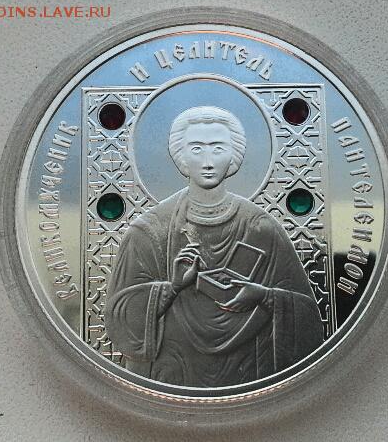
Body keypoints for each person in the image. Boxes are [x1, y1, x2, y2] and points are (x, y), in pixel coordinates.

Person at [105, 106, 323, 387]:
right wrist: (172, 287)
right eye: (197, 149)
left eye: (218, 149)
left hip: (251, 376)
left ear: (234, 155)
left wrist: (263, 295)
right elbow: (120, 316)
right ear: (180, 156)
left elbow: (307, 317)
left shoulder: (263, 228)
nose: (208, 162)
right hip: (172, 376)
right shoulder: (150, 231)